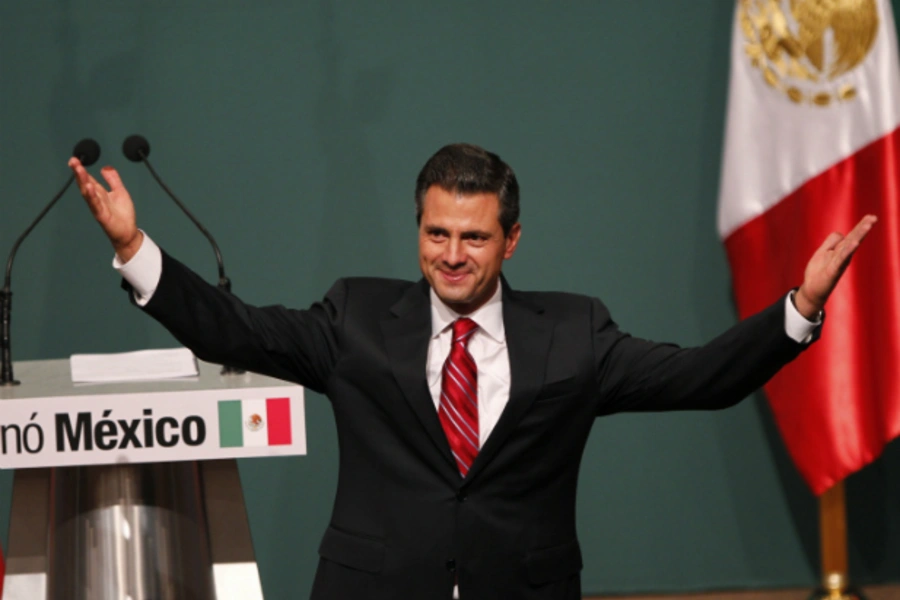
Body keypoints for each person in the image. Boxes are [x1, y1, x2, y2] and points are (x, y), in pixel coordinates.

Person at [69, 143, 876, 600]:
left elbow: (703, 377)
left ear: (512, 240)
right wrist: (135, 251)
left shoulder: (572, 330)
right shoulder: (355, 317)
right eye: (436, 233)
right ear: (419, 227)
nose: (451, 255)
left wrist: (799, 306)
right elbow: (236, 331)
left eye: (475, 238)